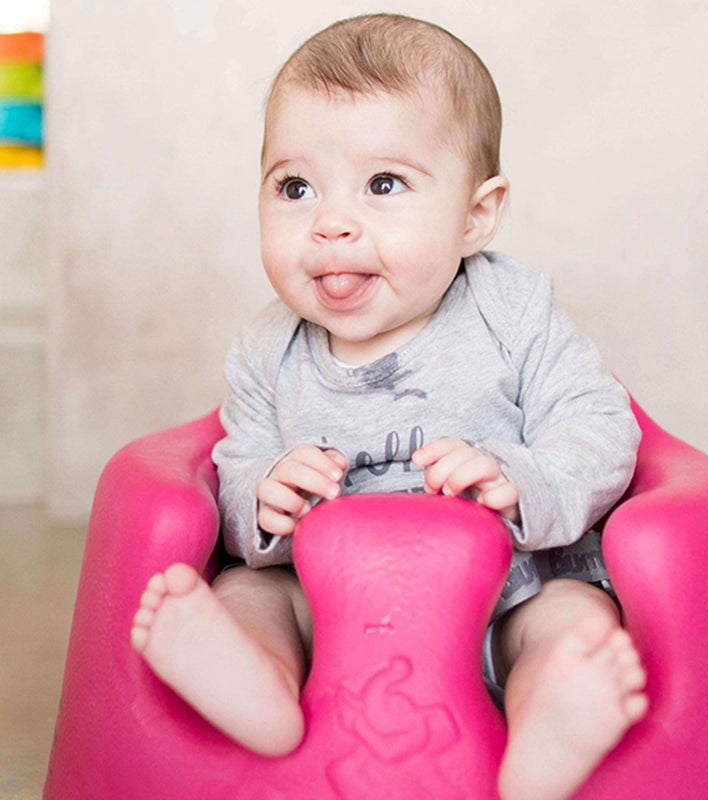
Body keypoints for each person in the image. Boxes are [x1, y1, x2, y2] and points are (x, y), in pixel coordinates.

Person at [130, 13, 648, 800]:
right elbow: (232, 470)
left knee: (570, 616)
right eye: (295, 187)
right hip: (323, 601)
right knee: (247, 592)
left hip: (506, 590)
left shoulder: (511, 312)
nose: (331, 223)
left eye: (383, 185)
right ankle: (256, 681)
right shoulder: (268, 349)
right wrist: (265, 493)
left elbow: (603, 424)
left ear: (476, 214)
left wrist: (523, 477)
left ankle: (552, 713)